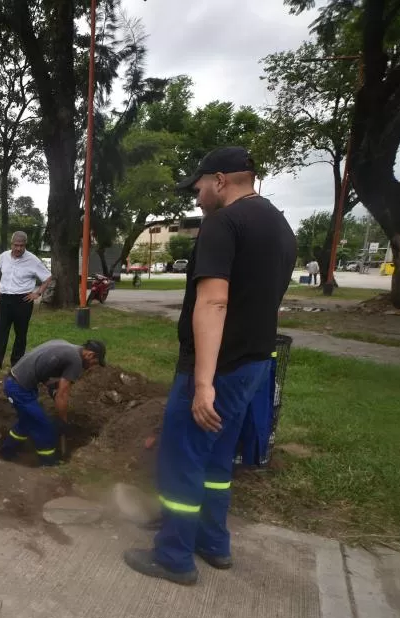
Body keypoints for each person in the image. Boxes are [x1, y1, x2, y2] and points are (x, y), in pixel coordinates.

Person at [123, 146, 296, 586]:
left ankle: (173, 557)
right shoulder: (279, 224)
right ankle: (213, 543)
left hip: (216, 369)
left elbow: (214, 300)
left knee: (182, 460)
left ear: (220, 180)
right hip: (253, 365)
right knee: (218, 460)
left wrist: (202, 383)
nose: (197, 197)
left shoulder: (223, 223)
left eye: (199, 187)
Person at [2, 339, 106, 466]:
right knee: (45, 427)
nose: (91, 366)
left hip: (19, 384)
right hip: (18, 389)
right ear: (90, 354)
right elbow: (62, 394)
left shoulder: (68, 347)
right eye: (94, 362)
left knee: (27, 422)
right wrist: (63, 420)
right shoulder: (76, 361)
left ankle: (7, 452)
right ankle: (49, 464)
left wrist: (52, 388)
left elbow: (45, 367)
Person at [0, 231, 53, 371]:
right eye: (16, 245)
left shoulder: (33, 260)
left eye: (21, 246)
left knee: (21, 333)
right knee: (0, 331)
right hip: (5, 299)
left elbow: (47, 277)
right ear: (12, 244)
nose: (18, 248)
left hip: (23, 300)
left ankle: (17, 363)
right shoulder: (4, 256)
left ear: (25, 245)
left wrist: (38, 293)